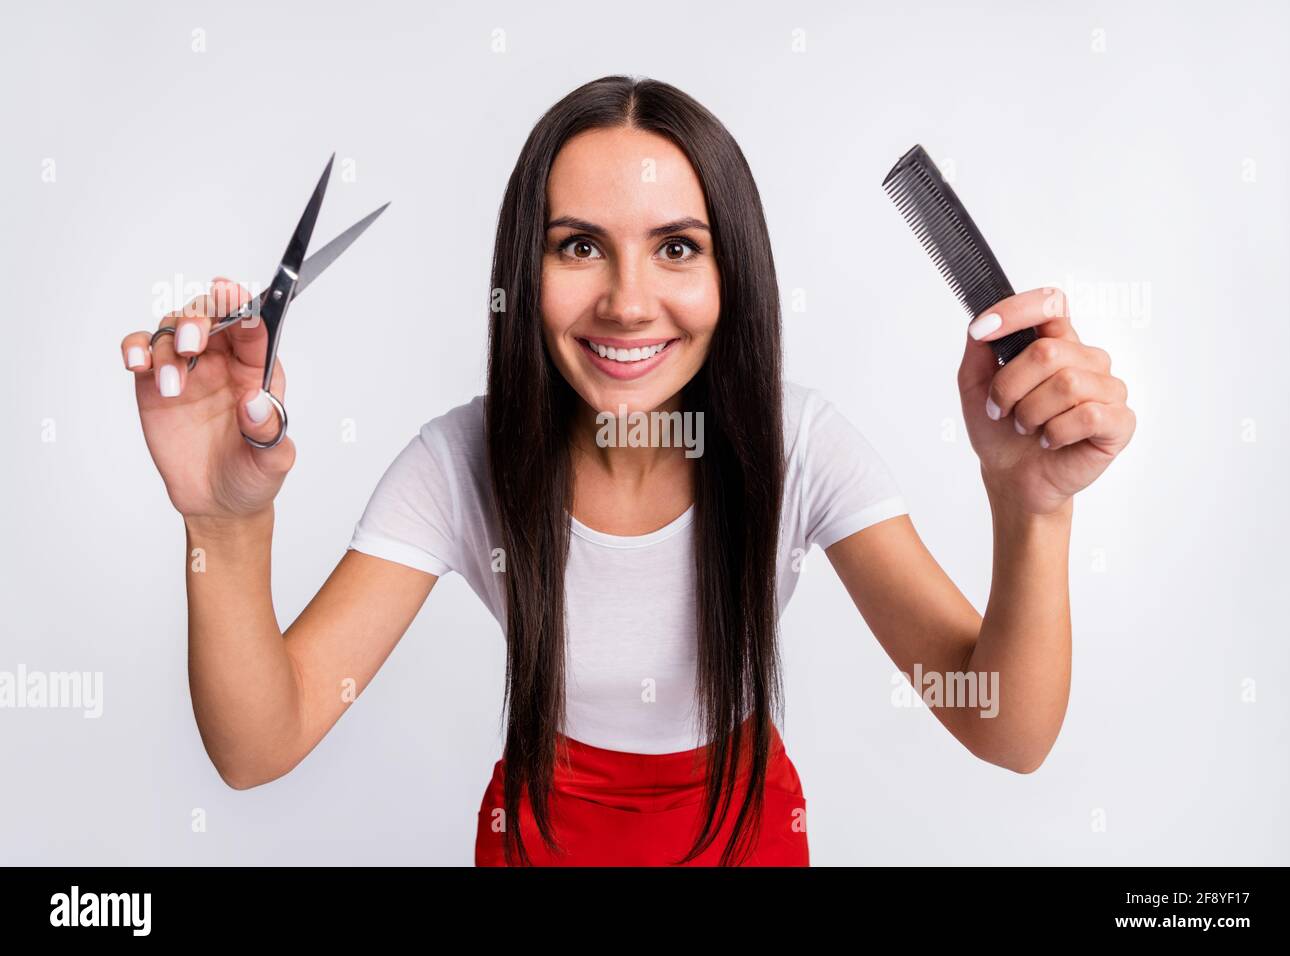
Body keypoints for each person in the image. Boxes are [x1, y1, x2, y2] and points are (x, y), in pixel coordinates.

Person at [119, 75, 1136, 866]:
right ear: (524, 272)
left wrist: (1030, 507)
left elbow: (1003, 727)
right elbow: (260, 743)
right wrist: (222, 523)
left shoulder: (795, 443)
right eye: (578, 246)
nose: (626, 300)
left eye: (677, 247)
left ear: (731, 272)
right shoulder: (457, 463)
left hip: (746, 834)